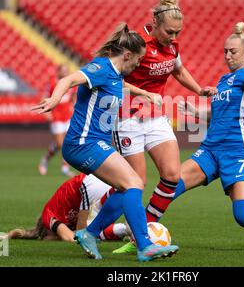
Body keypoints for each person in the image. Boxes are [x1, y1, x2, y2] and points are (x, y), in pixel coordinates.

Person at [32, 22, 179, 262]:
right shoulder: (101, 67)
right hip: (82, 143)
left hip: (96, 143)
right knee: (134, 182)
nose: (139, 65)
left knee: (127, 188)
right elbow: (68, 80)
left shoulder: (115, 74)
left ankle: (89, 234)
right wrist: (54, 99)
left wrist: (146, 94)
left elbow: (120, 85)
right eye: (138, 60)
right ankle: (144, 246)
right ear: (128, 55)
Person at [161, 22, 244, 250]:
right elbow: (219, 115)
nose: (228, 56)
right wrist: (195, 112)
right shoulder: (223, 80)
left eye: (233, 52)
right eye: (225, 52)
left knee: (243, 215)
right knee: (168, 188)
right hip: (210, 150)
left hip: (236, 152)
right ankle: (139, 238)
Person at [113, 0, 216, 253]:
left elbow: (178, 70)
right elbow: (113, 77)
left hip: (156, 116)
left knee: (171, 175)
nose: (174, 37)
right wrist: (143, 94)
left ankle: (141, 229)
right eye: (169, 32)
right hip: (128, 118)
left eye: (177, 33)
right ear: (156, 24)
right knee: (135, 182)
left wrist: (198, 90)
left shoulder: (172, 46)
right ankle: (100, 224)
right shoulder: (136, 43)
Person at [4, 173, 127, 242]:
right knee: (91, 231)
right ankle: (134, 232)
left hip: (88, 186)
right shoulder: (56, 215)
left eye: (46, 239)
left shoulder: (48, 216)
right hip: (97, 182)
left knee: (84, 237)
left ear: (45, 234)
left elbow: (69, 237)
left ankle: (127, 230)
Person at [38, 64, 76, 177]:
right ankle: (45, 159)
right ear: (58, 72)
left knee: (68, 142)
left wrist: (74, 108)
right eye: (63, 70)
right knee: (60, 144)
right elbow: (43, 98)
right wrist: (47, 112)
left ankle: (64, 167)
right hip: (57, 117)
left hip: (68, 116)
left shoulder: (71, 84)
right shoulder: (52, 83)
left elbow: (73, 98)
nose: (65, 72)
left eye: (66, 70)